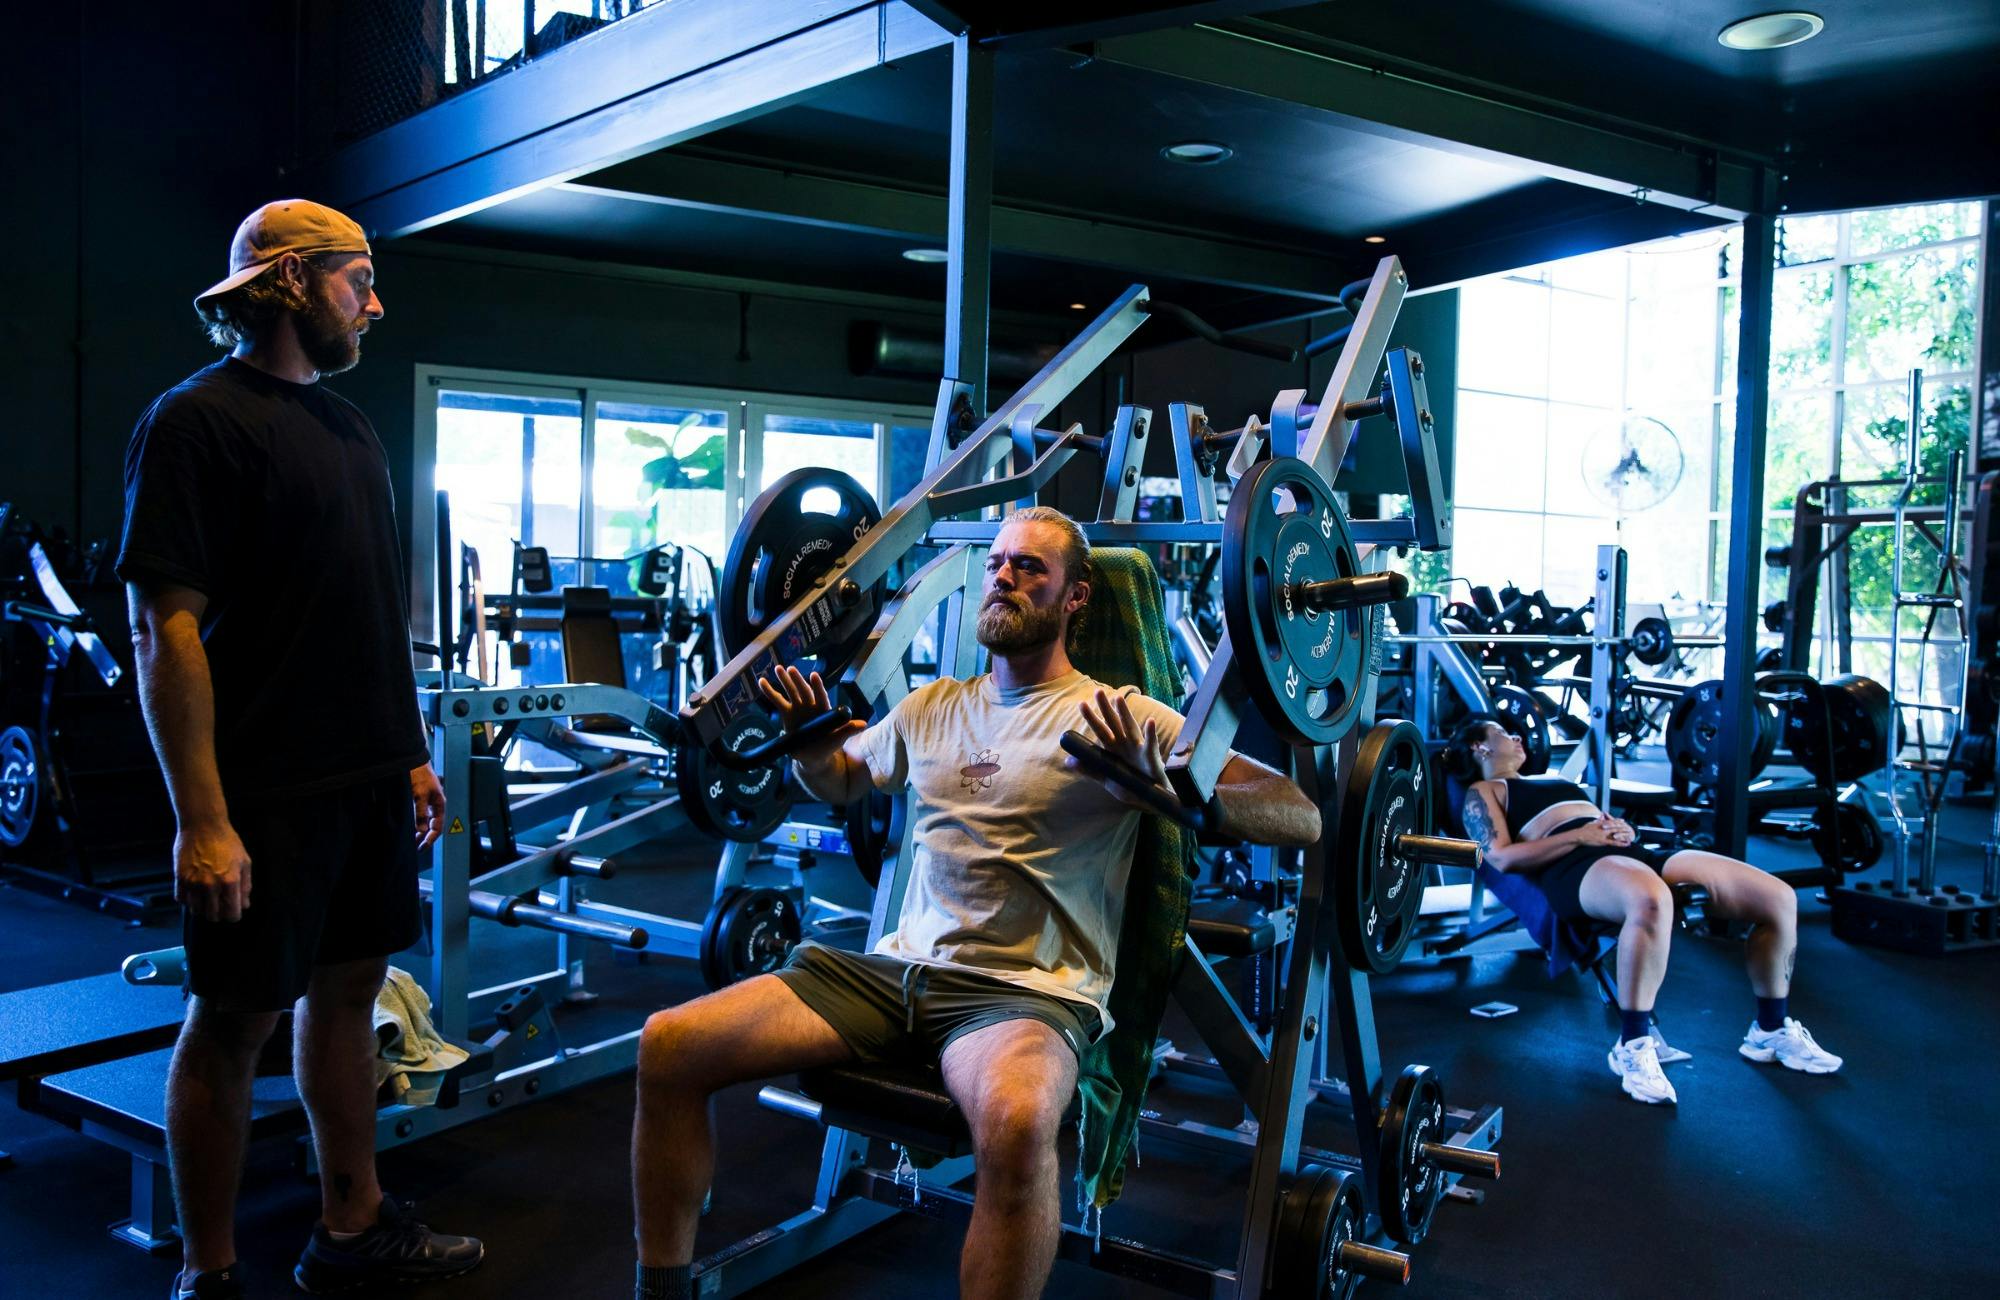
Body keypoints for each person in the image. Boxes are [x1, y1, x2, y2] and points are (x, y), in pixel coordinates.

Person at [630, 507, 1321, 1300]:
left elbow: (1298, 812)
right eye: (997, 564)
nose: (1003, 577)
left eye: (1030, 568)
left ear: (1075, 598)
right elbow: (843, 777)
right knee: (669, 1043)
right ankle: (663, 1288)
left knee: (1022, 1126)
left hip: (1020, 997)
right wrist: (809, 748)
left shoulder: (1116, 713)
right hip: (891, 976)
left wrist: (1188, 799)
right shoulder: (933, 707)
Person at [119, 200, 483, 1299]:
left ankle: (351, 1224)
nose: (374, 301)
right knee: (231, 1021)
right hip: (261, 791)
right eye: (355, 279)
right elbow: (163, 625)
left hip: (363, 779)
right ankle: (210, 1268)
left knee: (350, 994)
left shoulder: (351, 429)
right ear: (287, 283)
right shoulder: (195, 423)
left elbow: (366, 610)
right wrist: (203, 815)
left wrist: (406, 751)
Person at [1443, 717, 1842, 1105]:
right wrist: (1583, 834)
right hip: (1574, 869)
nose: (1517, 736)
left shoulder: (1555, 781)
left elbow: (1599, 825)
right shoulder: (1484, 790)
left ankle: (1769, 1030)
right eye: (1502, 732)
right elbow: (1502, 858)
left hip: (1630, 856)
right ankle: (1632, 1044)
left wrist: (1622, 829)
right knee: (1650, 899)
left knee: (1777, 898)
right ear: (1480, 746)